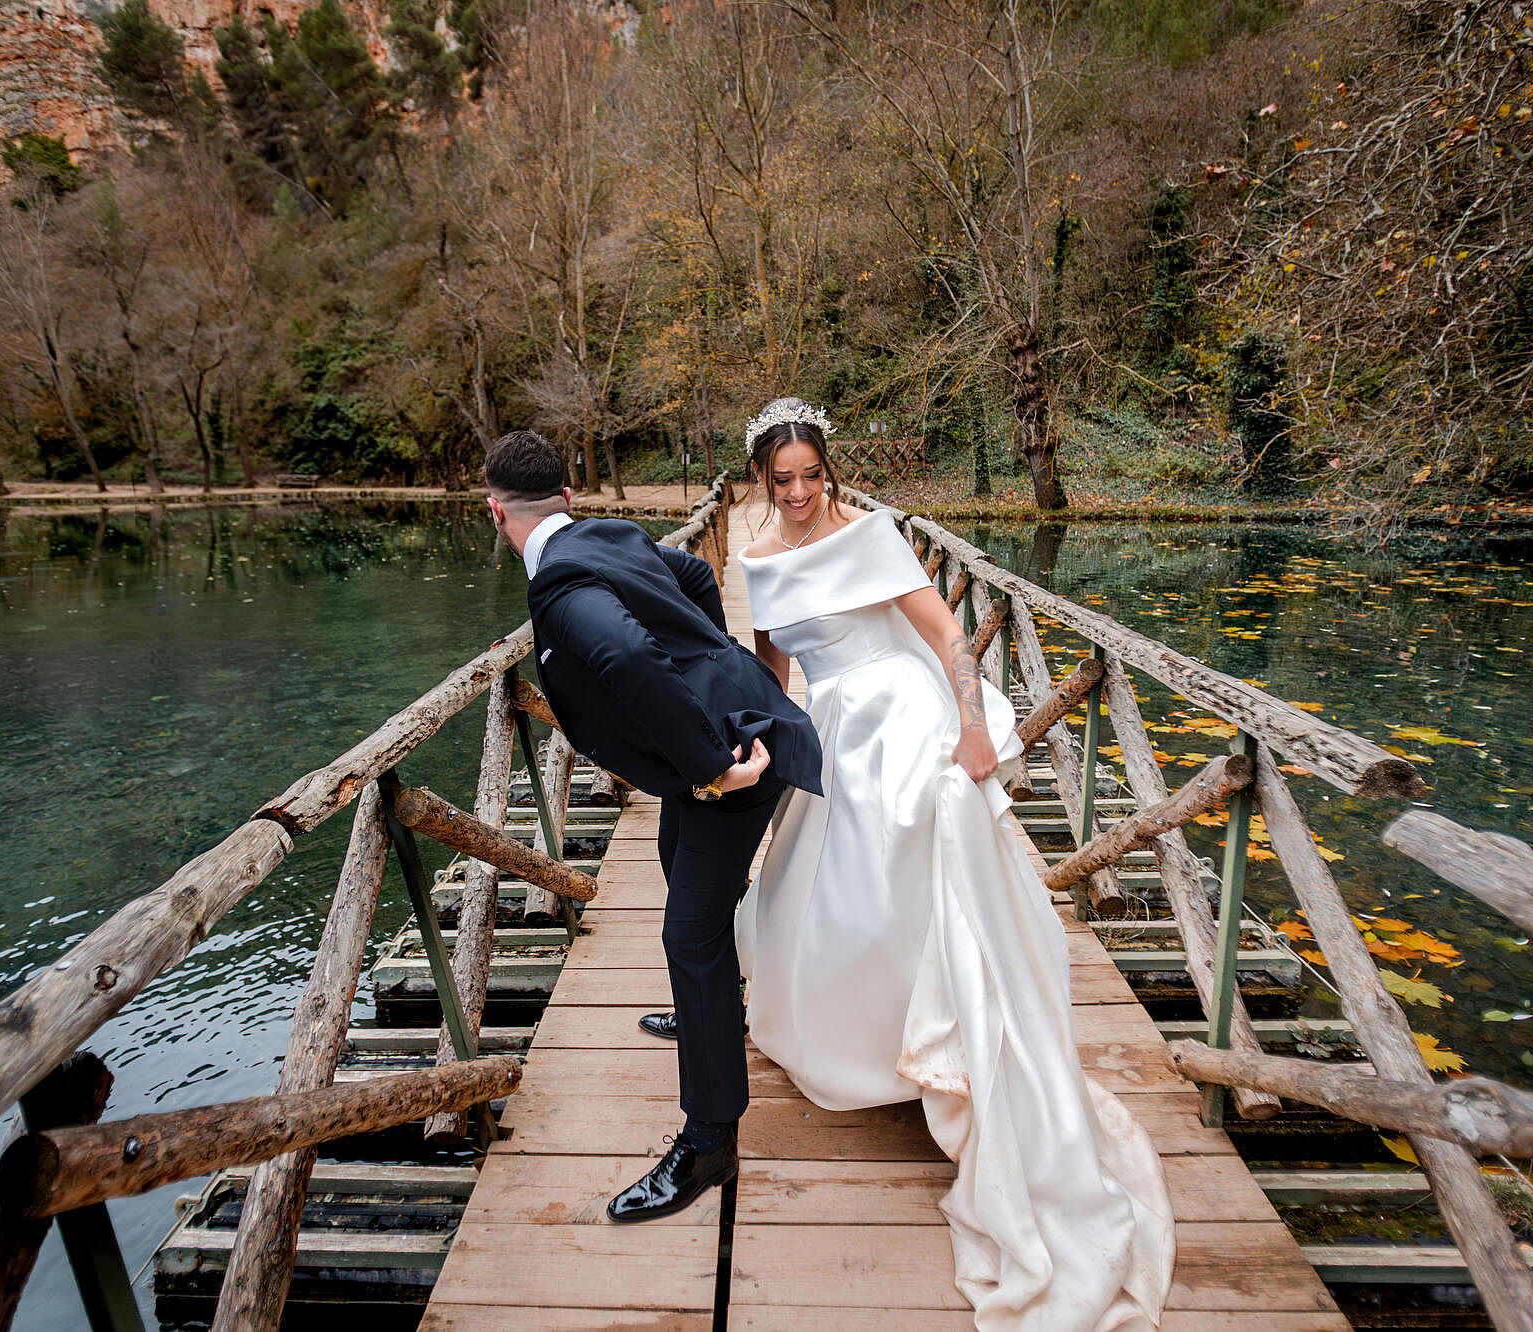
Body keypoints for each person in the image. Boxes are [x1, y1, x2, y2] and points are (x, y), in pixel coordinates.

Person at [644, 399, 1175, 1330]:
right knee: (825, 896)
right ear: (760, 484)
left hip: (909, 720)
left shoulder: (874, 534)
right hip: (834, 730)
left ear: (829, 470)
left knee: (900, 882)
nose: (802, 493)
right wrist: (724, 735)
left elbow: (944, 637)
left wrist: (971, 726)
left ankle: (943, 1044)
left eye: (813, 474)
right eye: (784, 480)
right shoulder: (759, 557)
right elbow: (772, 673)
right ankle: (871, 1039)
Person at [481, 429, 822, 1224]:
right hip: (722, 735)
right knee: (676, 858)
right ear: (567, 499)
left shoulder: (563, 591)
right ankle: (720, 1006)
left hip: (736, 761)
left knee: (687, 934)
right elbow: (697, 574)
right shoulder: (609, 535)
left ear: (497, 513)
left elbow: (629, 660)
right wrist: (711, 660)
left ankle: (710, 1142)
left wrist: (707, 760)